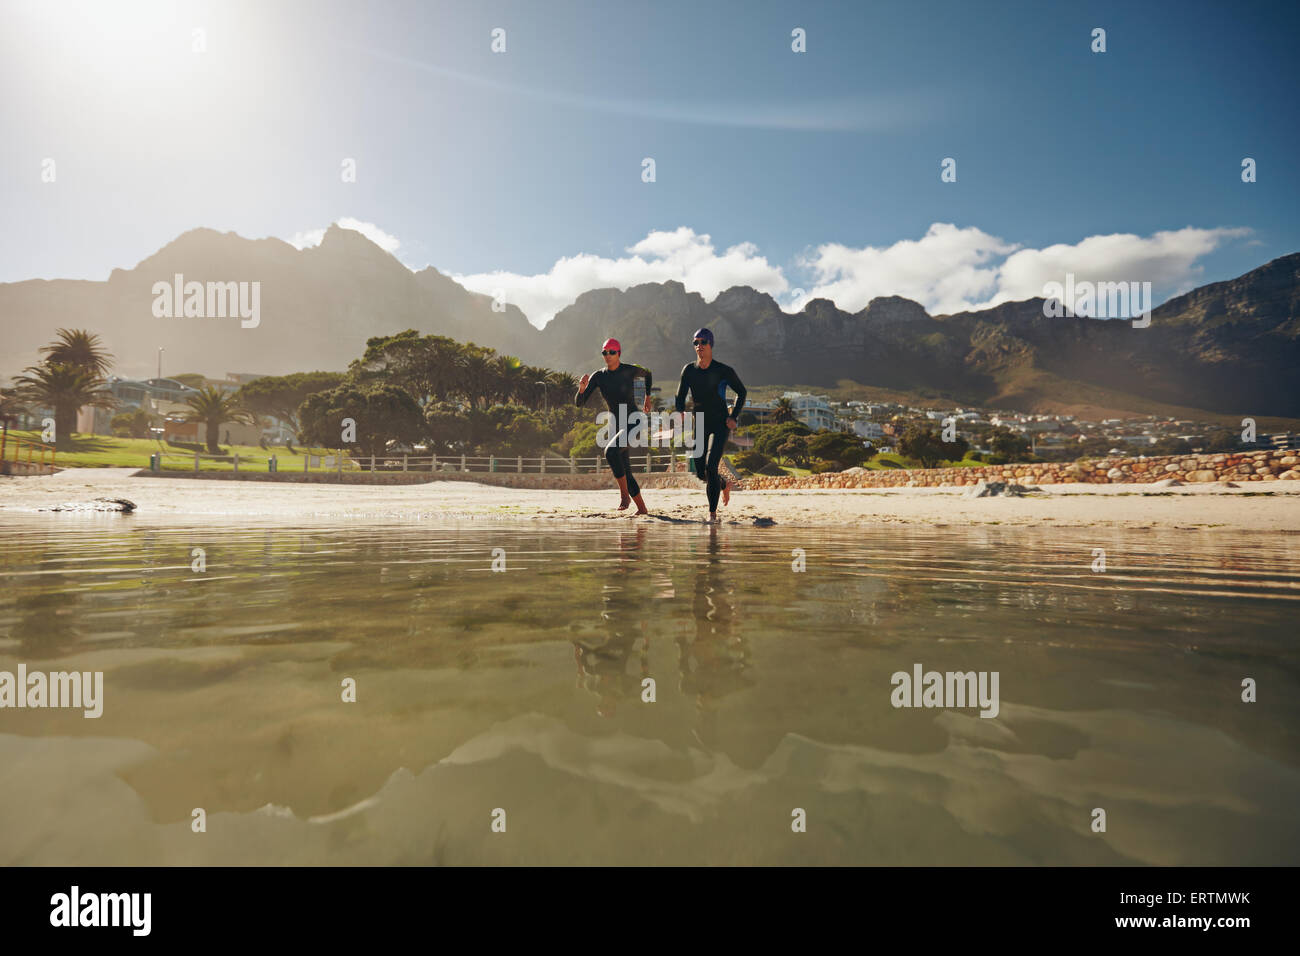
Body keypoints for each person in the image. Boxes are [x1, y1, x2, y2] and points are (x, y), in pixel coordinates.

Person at [674, 327, 746, 521]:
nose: (699, 346)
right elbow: (680, 395)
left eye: (703, 342)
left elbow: (742, 392)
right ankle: (724, 484)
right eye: (695, 343)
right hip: (701, 422)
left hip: (721, 422)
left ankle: (712, 514)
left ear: (711, 344)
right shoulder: (689, 370)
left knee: (711, 465)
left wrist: (734, 416)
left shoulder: (723, 370)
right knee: (700, 471)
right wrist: (680, 410)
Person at [575, 338, 653, 513]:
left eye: (611, 352)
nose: (608, 355)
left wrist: (648, 397)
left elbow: (647, 373)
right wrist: (581, 390)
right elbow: (580, 403)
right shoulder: (599, 376)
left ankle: (624, 496)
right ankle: (642, 508)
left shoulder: (629, 370)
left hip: (634, 422)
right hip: (617, 425)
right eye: (605, 352)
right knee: (624, 468)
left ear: (619, 353)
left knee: (610, 451)